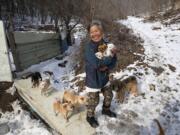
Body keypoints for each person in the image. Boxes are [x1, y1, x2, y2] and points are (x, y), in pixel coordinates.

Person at [85, 20, 117, 128]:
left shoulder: (108, 44)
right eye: (91, 32)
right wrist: (109, 57)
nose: (94, 34)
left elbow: (114, 61)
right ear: (90, 34)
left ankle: (106, 110)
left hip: (104, 77)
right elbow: (96, 64)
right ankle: (90, 117)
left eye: (96, 31)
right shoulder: (89, 48)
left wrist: (107, 66)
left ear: (101, 31)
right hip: (93, 79)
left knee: (109, 95)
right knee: (93, 101)